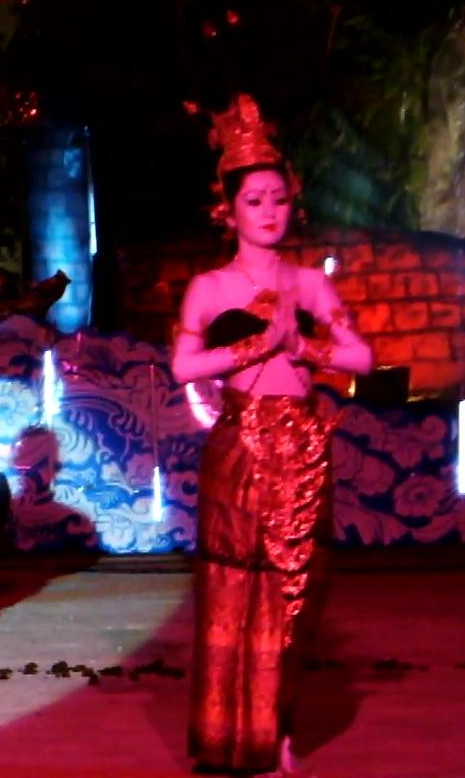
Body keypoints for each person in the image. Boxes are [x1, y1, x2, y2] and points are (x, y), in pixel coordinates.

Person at [170, 95, 370, 777]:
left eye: (279, 199)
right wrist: (256, 346)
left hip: (304, 453)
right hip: (238, 449)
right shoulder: (210, 287)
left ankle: (278, 731)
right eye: (254, 200)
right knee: (233, 595)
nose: (269, 211)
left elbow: (361, 358)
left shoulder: (308, 285)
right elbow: (183, 366)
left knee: (296, 598)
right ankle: (229, 739)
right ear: (228, 209)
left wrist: (303, 347)